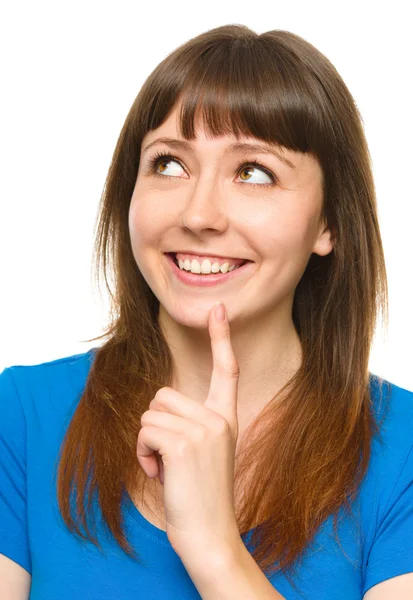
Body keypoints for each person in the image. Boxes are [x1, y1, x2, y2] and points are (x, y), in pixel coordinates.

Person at [1, 24, 413, 600]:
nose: (199, 214)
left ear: (330, 223)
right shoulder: (21, 417)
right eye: (169, 164)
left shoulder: (403, 452)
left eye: (254, 172)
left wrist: (215, 548)